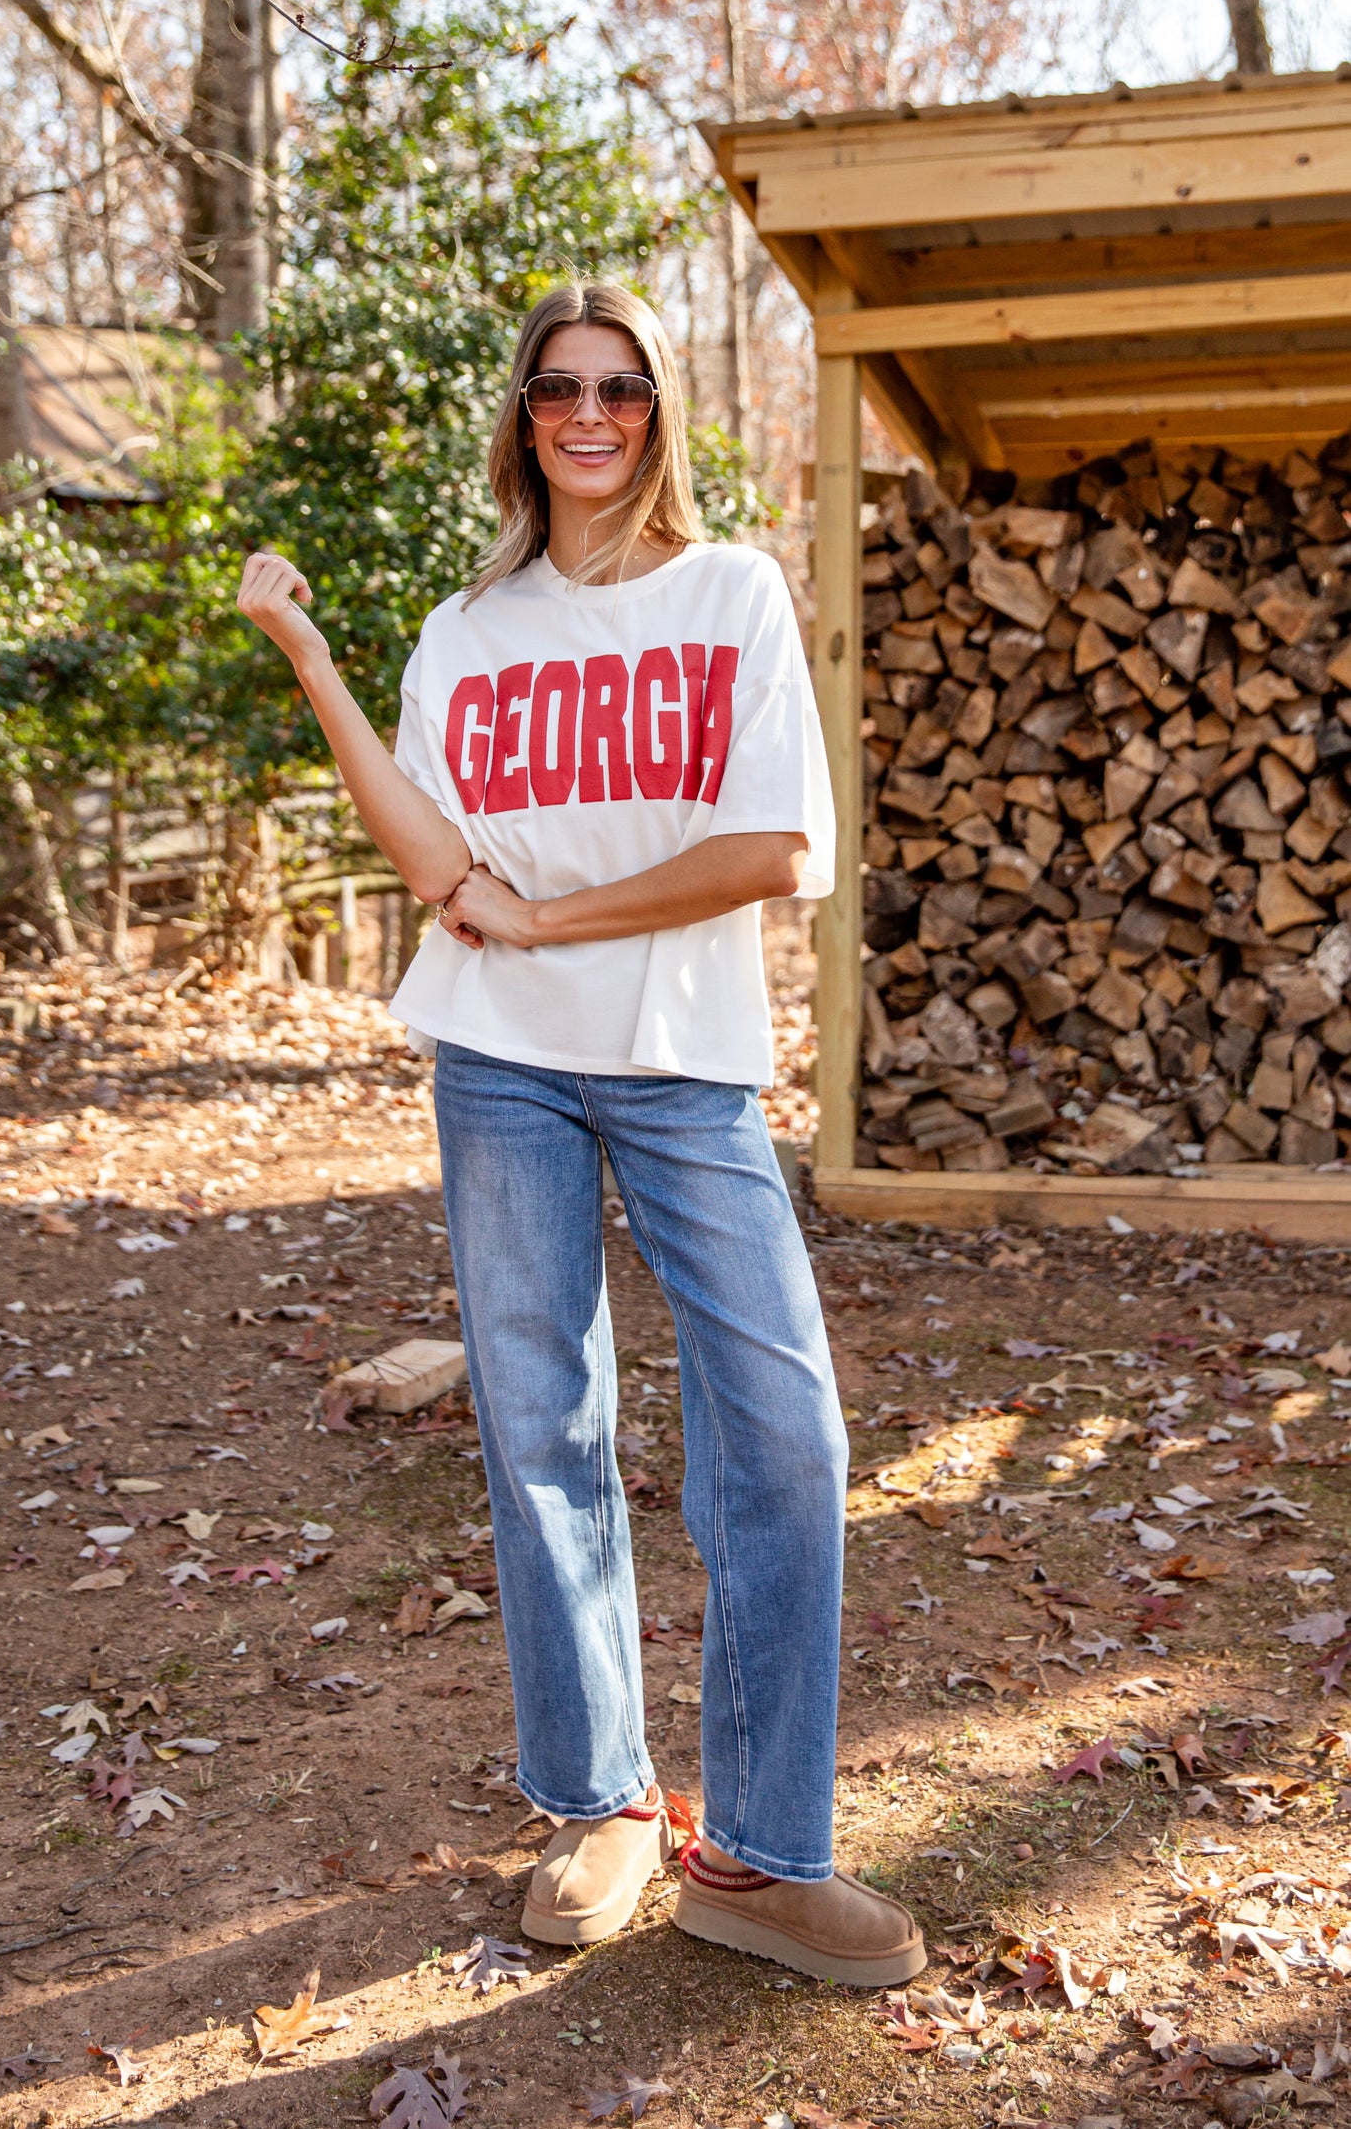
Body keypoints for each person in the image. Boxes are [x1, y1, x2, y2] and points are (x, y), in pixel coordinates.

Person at [236, 278, 925, 1987]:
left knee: (785, 1430)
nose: (591, 414)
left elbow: (776, 848)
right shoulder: (469, 629)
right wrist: (311, 658)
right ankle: (603, 1800)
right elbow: (433, 859)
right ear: (524, 415)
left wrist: (554, 917)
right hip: (500, 1063)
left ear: (659, 410)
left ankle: (760, 1858)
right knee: (541, 1427)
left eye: (622, 386)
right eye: (560, 387)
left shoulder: (729, 592)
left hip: (686, 1064)